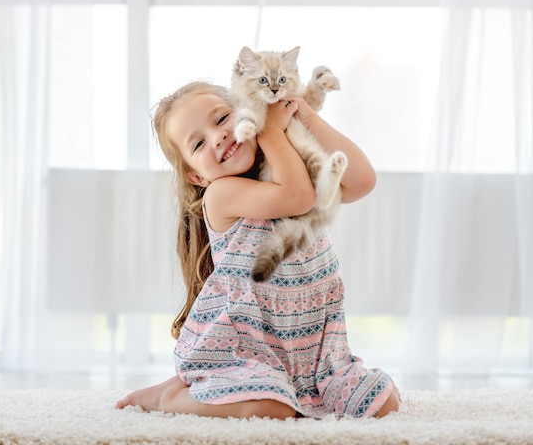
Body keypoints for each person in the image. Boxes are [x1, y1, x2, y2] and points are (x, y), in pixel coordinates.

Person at [116, 81, 401, 419]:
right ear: (197, 177)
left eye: (222, 119)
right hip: (248, 353)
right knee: (270, 409)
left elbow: (362, 181)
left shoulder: (292, 166)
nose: (218, 136)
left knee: (382, 404)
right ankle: (168, 397)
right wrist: (269, 130)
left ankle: (300, 393)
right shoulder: (221, 194)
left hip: (317, 355)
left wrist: (302, 114)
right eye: (199, 143)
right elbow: (297, 197)